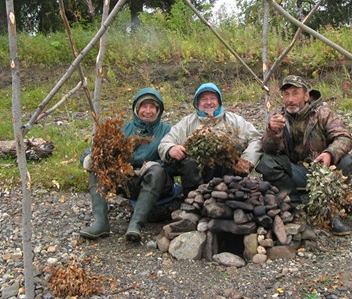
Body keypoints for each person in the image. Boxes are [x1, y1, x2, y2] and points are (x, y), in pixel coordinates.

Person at [256, 75, 352, 235]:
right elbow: (269, 149)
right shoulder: (279, 117)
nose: (290, 99)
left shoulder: (323, 114)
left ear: (306, 96)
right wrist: (272, 132)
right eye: (286, 94)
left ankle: (331, 212)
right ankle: (294, 206)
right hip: (295, 171)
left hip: (323, 171)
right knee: (266, 162)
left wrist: (329, 153)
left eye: (295, 93)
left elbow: (344, 137)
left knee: (346, 161)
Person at [80, 87, 177, 243]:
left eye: (152, 107)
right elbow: (92, 150)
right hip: (128, 182)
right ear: (136, 109)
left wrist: (156, 165)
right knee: (97, 167)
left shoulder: (168, 131)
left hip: (157, 184)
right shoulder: (122, 129)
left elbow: (177, 165)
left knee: (156, 171)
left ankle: (135, 225)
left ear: (159, 110)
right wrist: (88, 158)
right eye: (144, 106)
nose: (148, 111)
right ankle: (100, 222)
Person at [158, 82, 262, 181]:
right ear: (197, 103)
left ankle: (230, 192)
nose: (208, 102)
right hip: (197, 179)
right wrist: (171, 149)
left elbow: (256, 138)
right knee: (189, 161)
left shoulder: (234, 120)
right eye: (204, 99)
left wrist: (247, 160)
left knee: (235, 147)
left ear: (219, 101)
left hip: (230, 179)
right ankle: (195, 196)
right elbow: (165, 143)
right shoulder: (187, 123)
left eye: (213, 98)